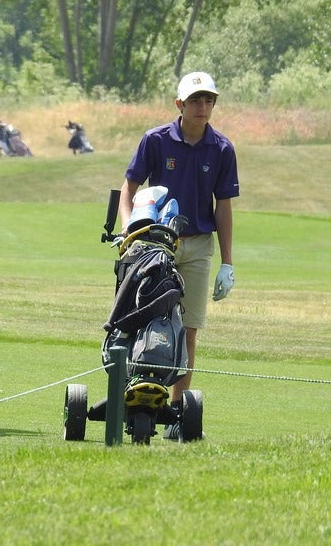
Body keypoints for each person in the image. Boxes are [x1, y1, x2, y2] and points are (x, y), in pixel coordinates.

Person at [118, 71, 239, 432]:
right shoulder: (155, 140)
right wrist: (129, 227)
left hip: (199, 245)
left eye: (209, 100)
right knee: (139, 318)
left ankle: (175, 412)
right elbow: (129, 188)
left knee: (188, 329)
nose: (203, 107)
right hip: (155, 242)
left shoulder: (221, 148)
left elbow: (224, 206)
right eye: (196, 100)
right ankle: (133, 389)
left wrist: (228, 263)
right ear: (180, 104)